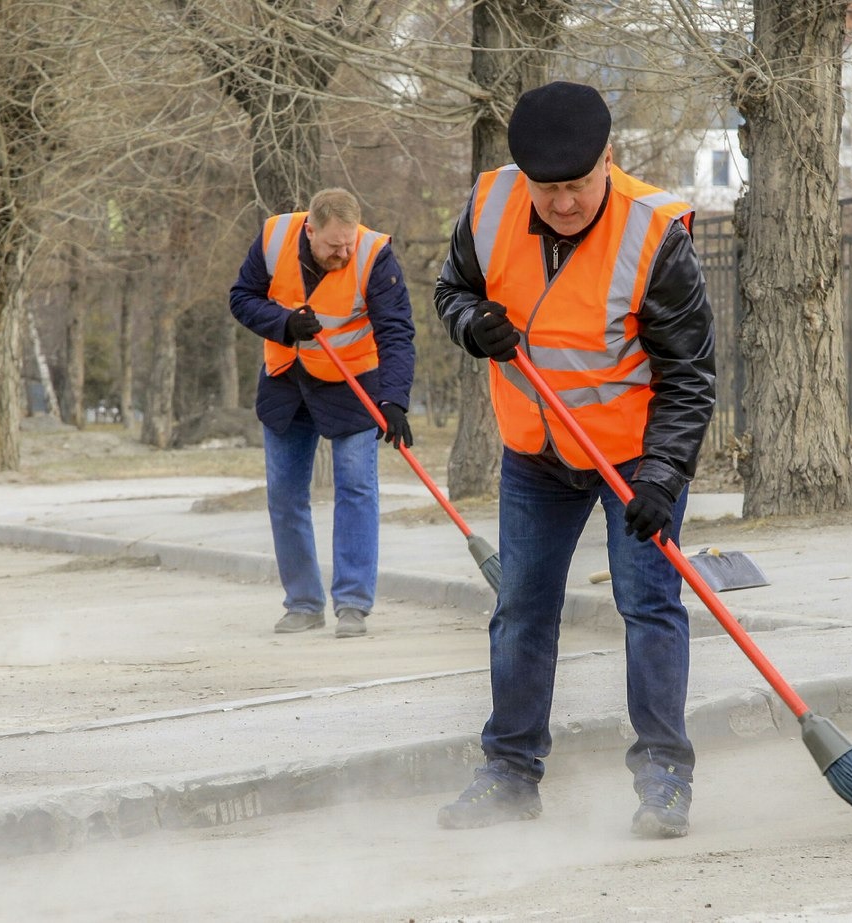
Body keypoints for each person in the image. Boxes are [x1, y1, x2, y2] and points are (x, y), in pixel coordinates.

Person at [432, 82, 715, 837]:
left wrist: (663, 474)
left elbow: (689, 376)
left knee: (649, 606)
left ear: (609, 161)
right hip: (536, 454)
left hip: (633, 461)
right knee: (521, 609)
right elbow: (451, 288)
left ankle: (664, 778)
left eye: (578, 186)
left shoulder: (655, 236)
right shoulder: (489, 206)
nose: (563, 203)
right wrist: (472, 324)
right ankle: (510, 773)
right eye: (548, 189)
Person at [230, 187, 416, 639]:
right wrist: (285, 324)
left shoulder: (374, 255)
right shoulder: (274, 236)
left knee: (355, 488)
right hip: (286, 382)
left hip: (352, 385)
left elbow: (396, 332)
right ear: (310, 229)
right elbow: (242, 297)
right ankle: (303, 603)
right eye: (334, 245)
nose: (344, 251)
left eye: (349, 242)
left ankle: (352, 603)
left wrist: (394, 400)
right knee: (286, 495)